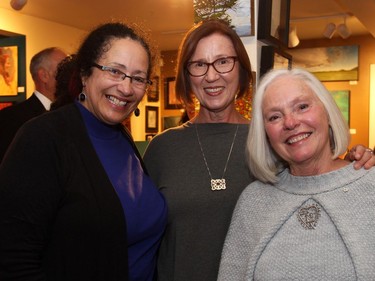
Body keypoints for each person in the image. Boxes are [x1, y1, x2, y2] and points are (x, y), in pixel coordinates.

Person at [143, 19, 375, 281]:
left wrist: (354, 164)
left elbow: (316, 180)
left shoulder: (272, 140)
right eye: (199, 65)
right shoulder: (163, 149)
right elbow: (141, 235)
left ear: (241, 69)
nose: (211, 75)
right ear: (186, 75)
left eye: (223, 61)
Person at [0, 22, 167, 281]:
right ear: (86, 74)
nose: (126, 88)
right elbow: (13, 260)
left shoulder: (121, 137)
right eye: (114, 71)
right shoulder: (44, 137)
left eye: (137, 78)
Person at [218, 68, 375, 280]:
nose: (290, 123)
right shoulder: (253, 202)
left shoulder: (370, 186)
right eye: (275, 116)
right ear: (265, 134)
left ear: (327, 111)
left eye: (302, 107)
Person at [0, 47, 67, 162]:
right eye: (63, 70)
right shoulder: (10, 118)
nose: (69, 77)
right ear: (44, 75)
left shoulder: (70, 113)